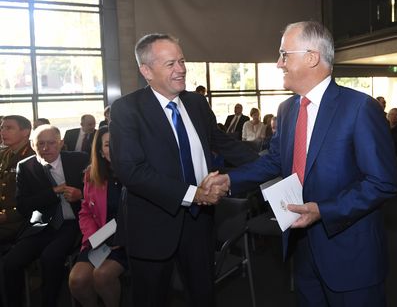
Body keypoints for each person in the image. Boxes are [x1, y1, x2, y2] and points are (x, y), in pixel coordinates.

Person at [205, 21, 397, 307]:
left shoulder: (359, 108)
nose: (278, 63)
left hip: (349, 255)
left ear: (312, 57)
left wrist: (324, 211)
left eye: (285, 54)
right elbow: (273, 160)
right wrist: (230, 180)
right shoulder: (287, 110)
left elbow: (383, 182)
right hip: (302, 248)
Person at [109, 33, 258, 307]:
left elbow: (220, 141)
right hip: (152, 225)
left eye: (181, 60)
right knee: (151, 298)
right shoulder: (126, 110)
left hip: (199, 222)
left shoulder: (196, 103)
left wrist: (268, 163)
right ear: (146, 71)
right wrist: (194, 193)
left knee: (203, 295)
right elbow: (131, 171)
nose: (181, 69)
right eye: (170, 64)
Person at [2, 124, 88, 307]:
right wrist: (53, 191)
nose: (46, 148)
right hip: (42, 225)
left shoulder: (79, 160)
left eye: (51, 143)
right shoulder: (26, 166)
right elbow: (24, 206)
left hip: (73, 223)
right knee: (10, 262)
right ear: (33, 145)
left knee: (50, 258)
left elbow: (99, 191)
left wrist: (81, 194)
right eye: (40, 144)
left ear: (61, 143)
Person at [68, 126, 126, 307]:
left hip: (129, 240)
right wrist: (95, 237)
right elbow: (85, 211)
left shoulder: (137, 173)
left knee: (101, 276)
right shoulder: (91, 175)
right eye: (108, 145)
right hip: (101, 237)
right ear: (100, 151)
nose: (114, 149)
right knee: (77, 280)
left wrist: (122, 237)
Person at [0, 115, 35, 243]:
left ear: (25, 132)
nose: (3, 132)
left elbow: (37, 199)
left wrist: (7, 216)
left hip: (18, 221)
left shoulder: (34, 158)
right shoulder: (4, 154)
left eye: (9, 128)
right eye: (2, 127)